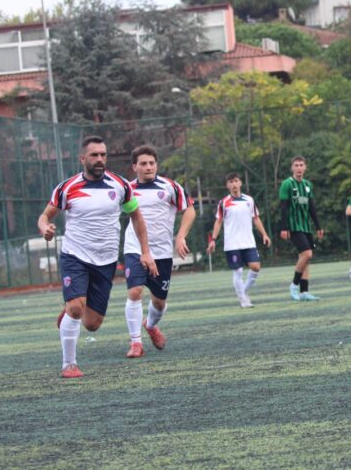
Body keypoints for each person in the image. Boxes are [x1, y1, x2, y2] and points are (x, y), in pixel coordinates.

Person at [37, 135, 157, 379]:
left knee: (92, 324)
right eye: (94, 155)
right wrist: (45, 228)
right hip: (75, 256)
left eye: (103, 154)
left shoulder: (120, 186)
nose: (100, 159)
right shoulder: (67, 188)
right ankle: (68, 364)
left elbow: (137, 218)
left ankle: (72, 308)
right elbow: (45, 216)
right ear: (83, 159)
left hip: (106, 260)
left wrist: (146, 252)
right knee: (75, 307)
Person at [121, 146, 196, 358]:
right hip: (135, 247)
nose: (148, 167)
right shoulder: (127, 189)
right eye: (143, 164)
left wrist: (180, 236)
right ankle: (136, 343)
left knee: (159, 302)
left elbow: (189, 210)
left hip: (162, 252)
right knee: (135, 291)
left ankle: (151, 325)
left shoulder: (171, 187)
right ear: (134, 167)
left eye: (151, 163)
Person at [207, 172, 271, 307]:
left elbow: (256, 218)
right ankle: (243, 300)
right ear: (227, 186)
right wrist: (213, 239)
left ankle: (244, 291)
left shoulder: (249, 200)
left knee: (256, 267)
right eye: (231, 182)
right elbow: (218, 222)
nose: (234, 184)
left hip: (248, 241)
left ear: (240, 183)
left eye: (236, 181)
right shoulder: (223, 203)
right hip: (232, 243)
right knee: (239, 271)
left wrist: (264, 234)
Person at [279, 156, 324, 301]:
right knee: (307, 254)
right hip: (293, 226)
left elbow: (311, 207)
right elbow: (283, 207)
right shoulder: (287, 184)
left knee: (305, 259)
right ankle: (294, 285)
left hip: (306, 227)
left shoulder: (307, 185)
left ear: (305, 167)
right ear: (292, 168)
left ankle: (304, 292)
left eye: (301, 165)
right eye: (296, 165)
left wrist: (318, 226)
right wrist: (284, 228)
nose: (299, 168)